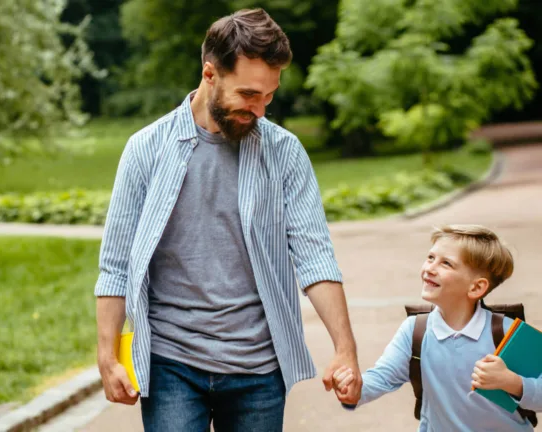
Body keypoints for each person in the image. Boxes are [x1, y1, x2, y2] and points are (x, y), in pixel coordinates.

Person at [94, 8, 361, 431]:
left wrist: (345, 350)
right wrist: (108, 357)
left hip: (258, 368)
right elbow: (117, 264)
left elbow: (315, 258)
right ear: (210, 74)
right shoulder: (146, 149)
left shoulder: (284, 153)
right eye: (249, 95)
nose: (259, 110)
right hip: (171, 364)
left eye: (269, 96)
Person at [333, 224, 542, 431]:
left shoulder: (507, 333)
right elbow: (382, 377)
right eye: (431, 258)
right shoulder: (415, 330)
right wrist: (353, 388)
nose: (429, 268)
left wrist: (512, 382)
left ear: (477, 287)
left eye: (446, 264)